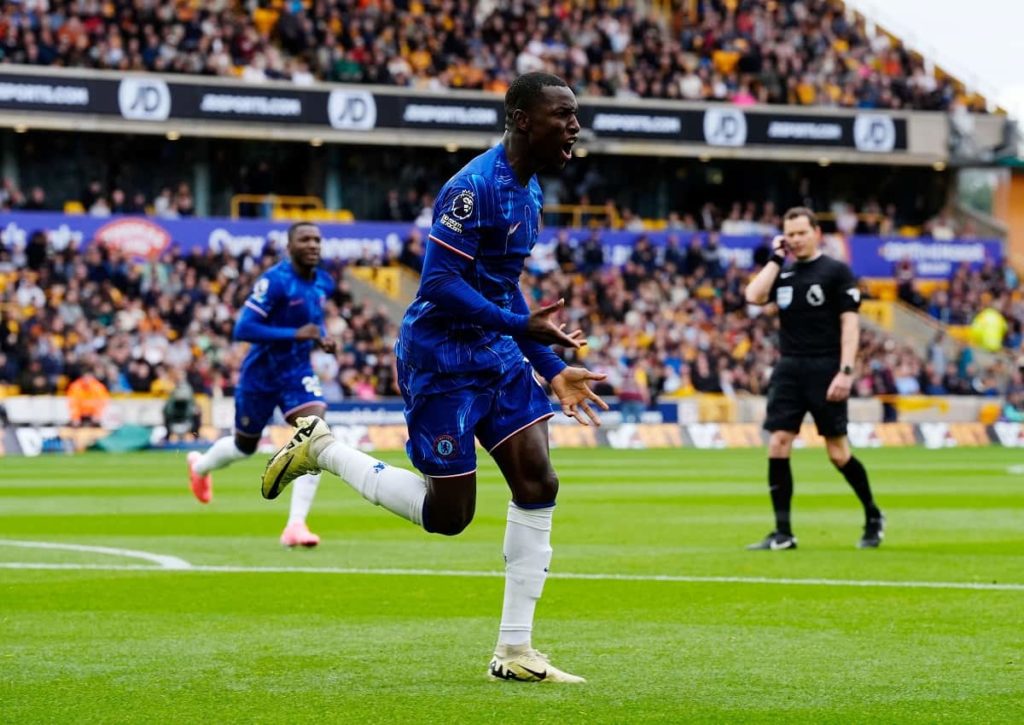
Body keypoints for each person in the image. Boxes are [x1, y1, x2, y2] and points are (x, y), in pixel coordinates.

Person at [260, 72, 606, 683]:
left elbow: (503, 288)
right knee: (449, 516)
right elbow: (440, 286)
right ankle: (326, 450)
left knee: (538, 480)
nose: (575, 125)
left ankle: (515, 650)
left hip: (496, 357)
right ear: (524, 119)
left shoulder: (530, 195)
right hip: (440, 359)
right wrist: (522, 329)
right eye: (563, 114)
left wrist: (551, 368)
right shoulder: (471, 189)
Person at [186, 222, 337, 548]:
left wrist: (322, 337)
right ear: (290, 246)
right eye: (305, 239)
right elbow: (244, 328)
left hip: (296, 372)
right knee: (244, 446)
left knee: (316, 432)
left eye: (317, 240)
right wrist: (295, 335)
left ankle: (296, 525)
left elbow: (314, 320)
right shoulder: (275, 281)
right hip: (261, 375)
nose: (313, 245)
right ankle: (199, 467)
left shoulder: (323, 282)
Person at [743, 207, 884, 550]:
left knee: (837, 452)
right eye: (789, 234)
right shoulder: (784, 273)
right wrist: (776, 259)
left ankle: (873, 515)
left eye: (801, 233)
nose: (795, 239)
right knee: (778, 442)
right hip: (789, 368)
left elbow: (850, 326)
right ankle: (783, 533)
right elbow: (754, 296)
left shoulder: (836, 272)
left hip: (826, 368)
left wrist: (846, 371)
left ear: (816, 233)